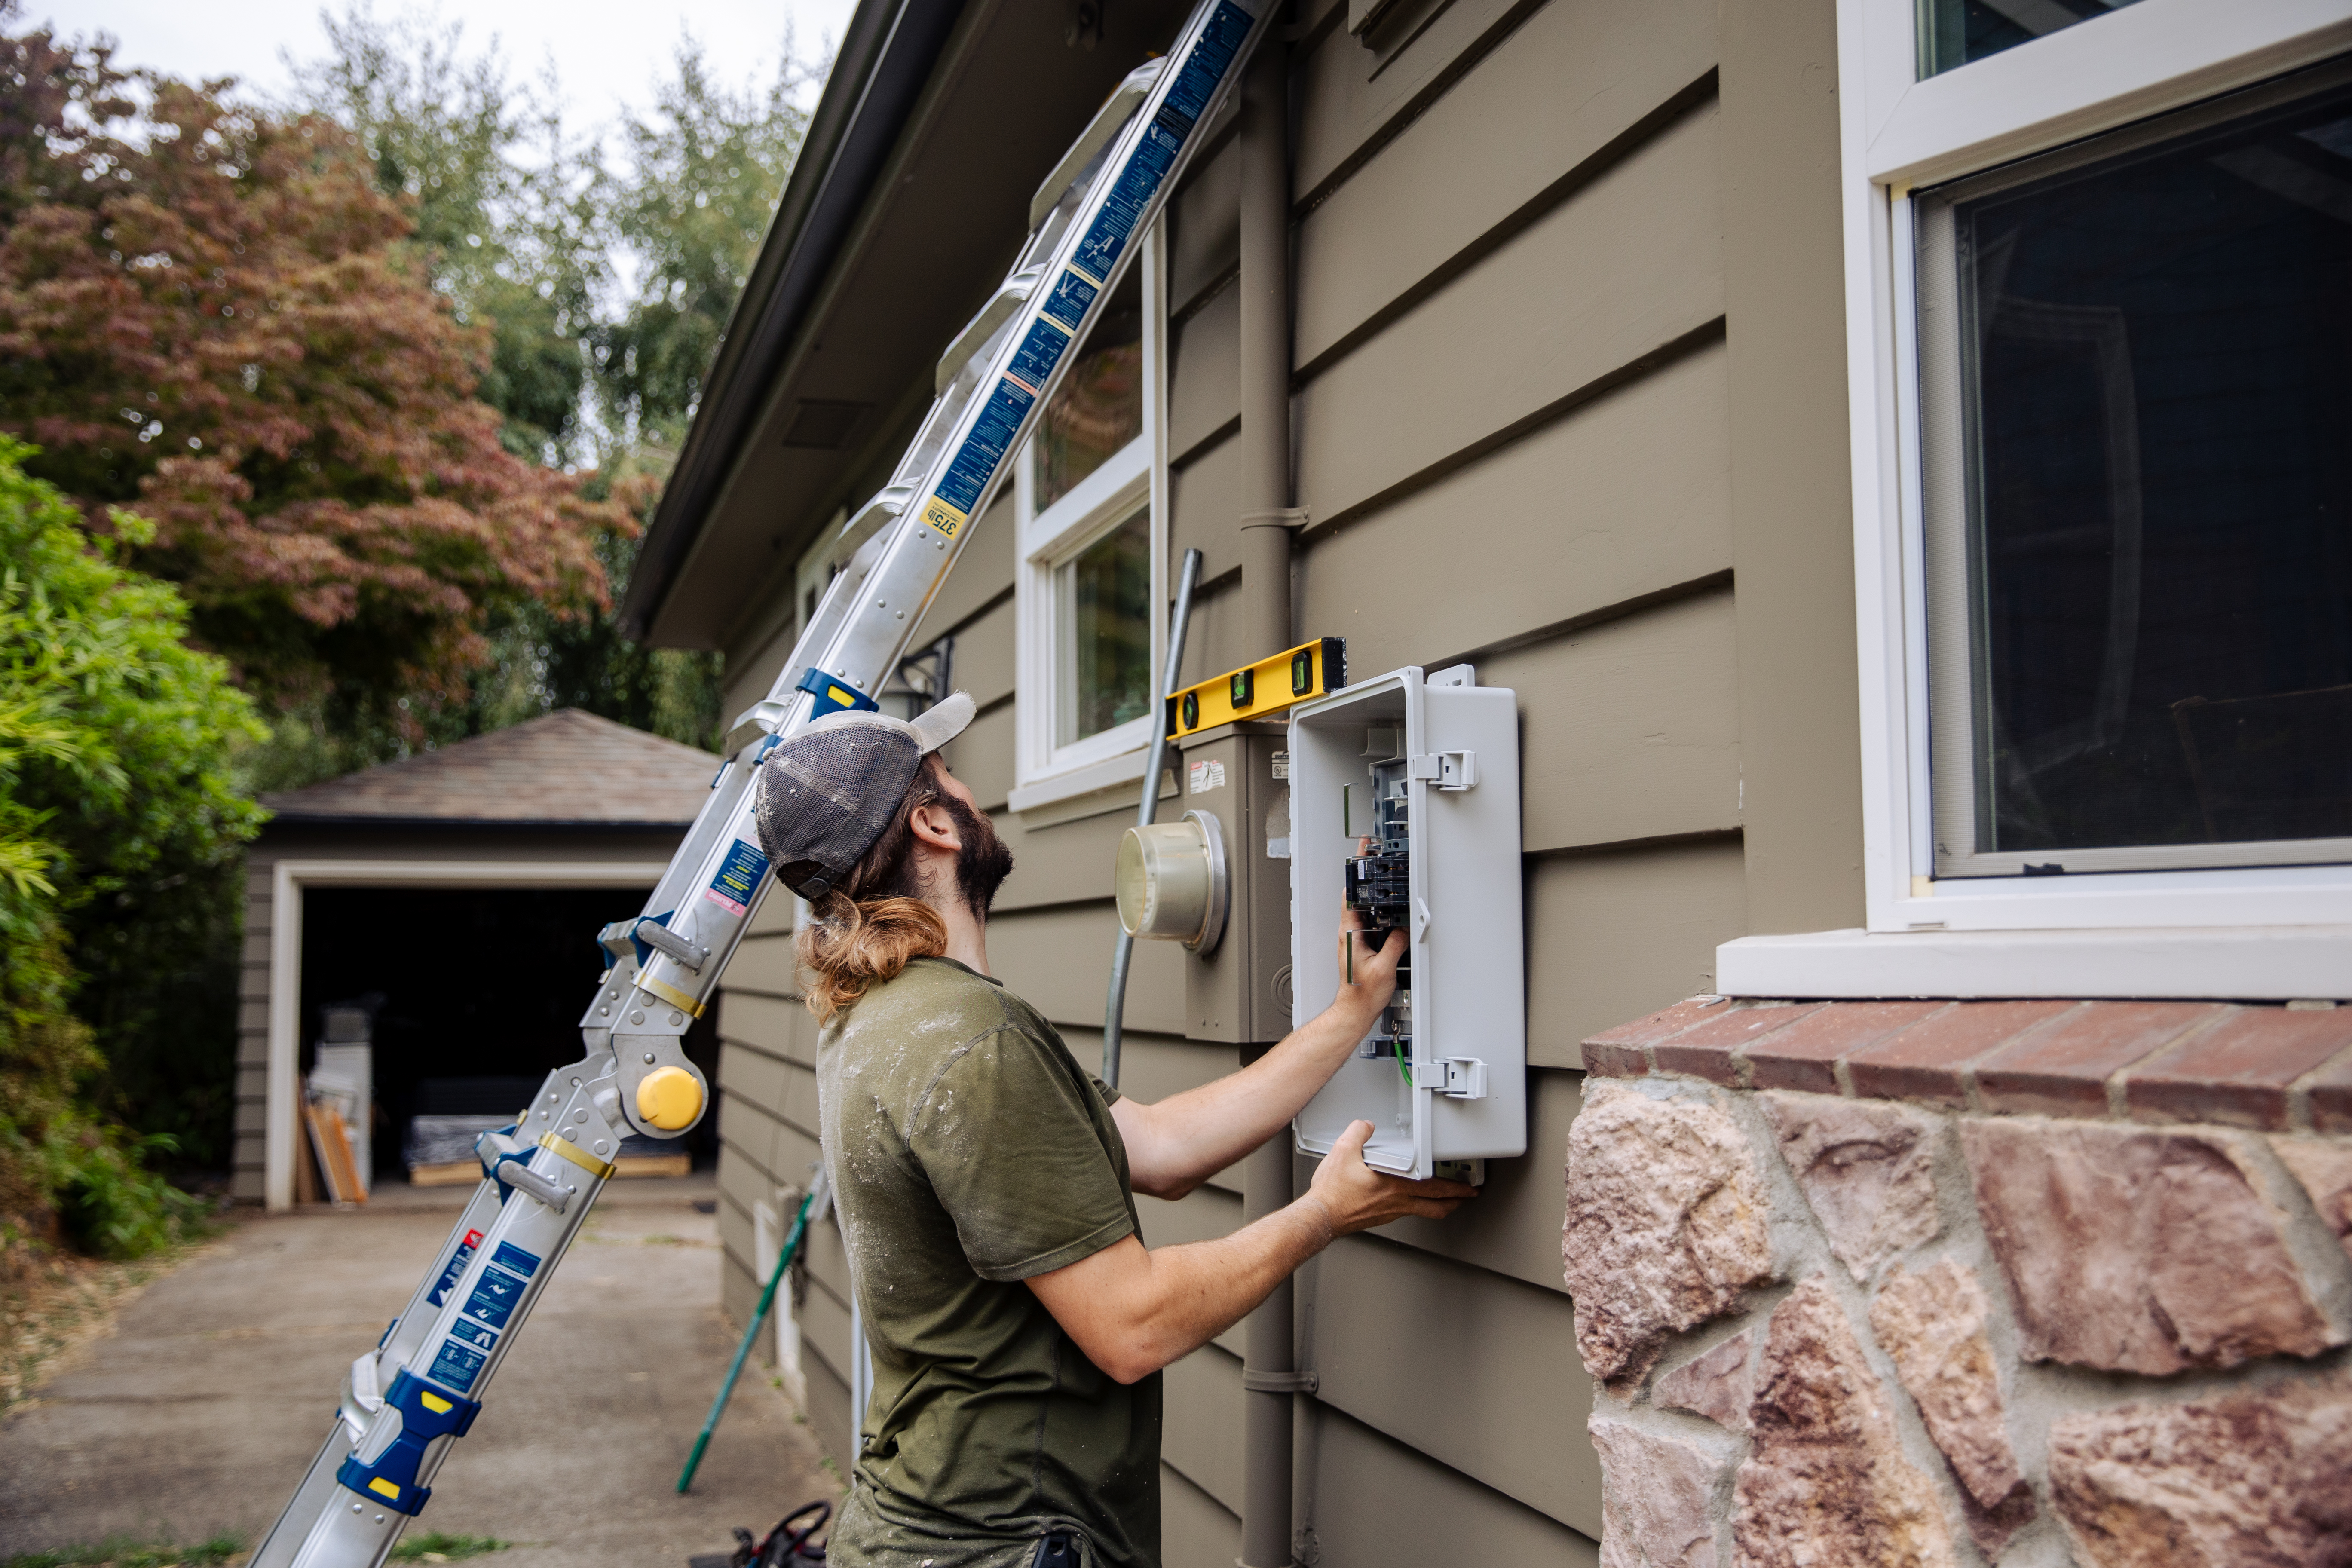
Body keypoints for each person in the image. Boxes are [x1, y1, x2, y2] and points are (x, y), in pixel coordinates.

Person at [750, 691, 1476, 1568]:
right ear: (935, 825)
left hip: (930, 1524)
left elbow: (1161, 1150)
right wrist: (1324, 1215)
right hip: (1002, 1542)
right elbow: (1132, 1327)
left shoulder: (891, 1019)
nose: (976, 794)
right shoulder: (973, 1042)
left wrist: (1352, 1011)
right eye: (951, 779)